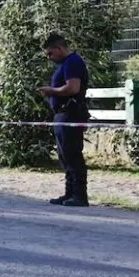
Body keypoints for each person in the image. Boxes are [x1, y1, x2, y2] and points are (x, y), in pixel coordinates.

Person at [38, 33, 90, 207]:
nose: (49, 58)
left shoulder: (73, 62)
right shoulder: (66, 64)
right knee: (64, 155)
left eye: (50, 53)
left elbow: (72, 88)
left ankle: (79, 195)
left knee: (72, 153)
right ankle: (69, 194)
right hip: (62, 114)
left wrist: (51, 91)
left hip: (71, 113)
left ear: (59, 48)